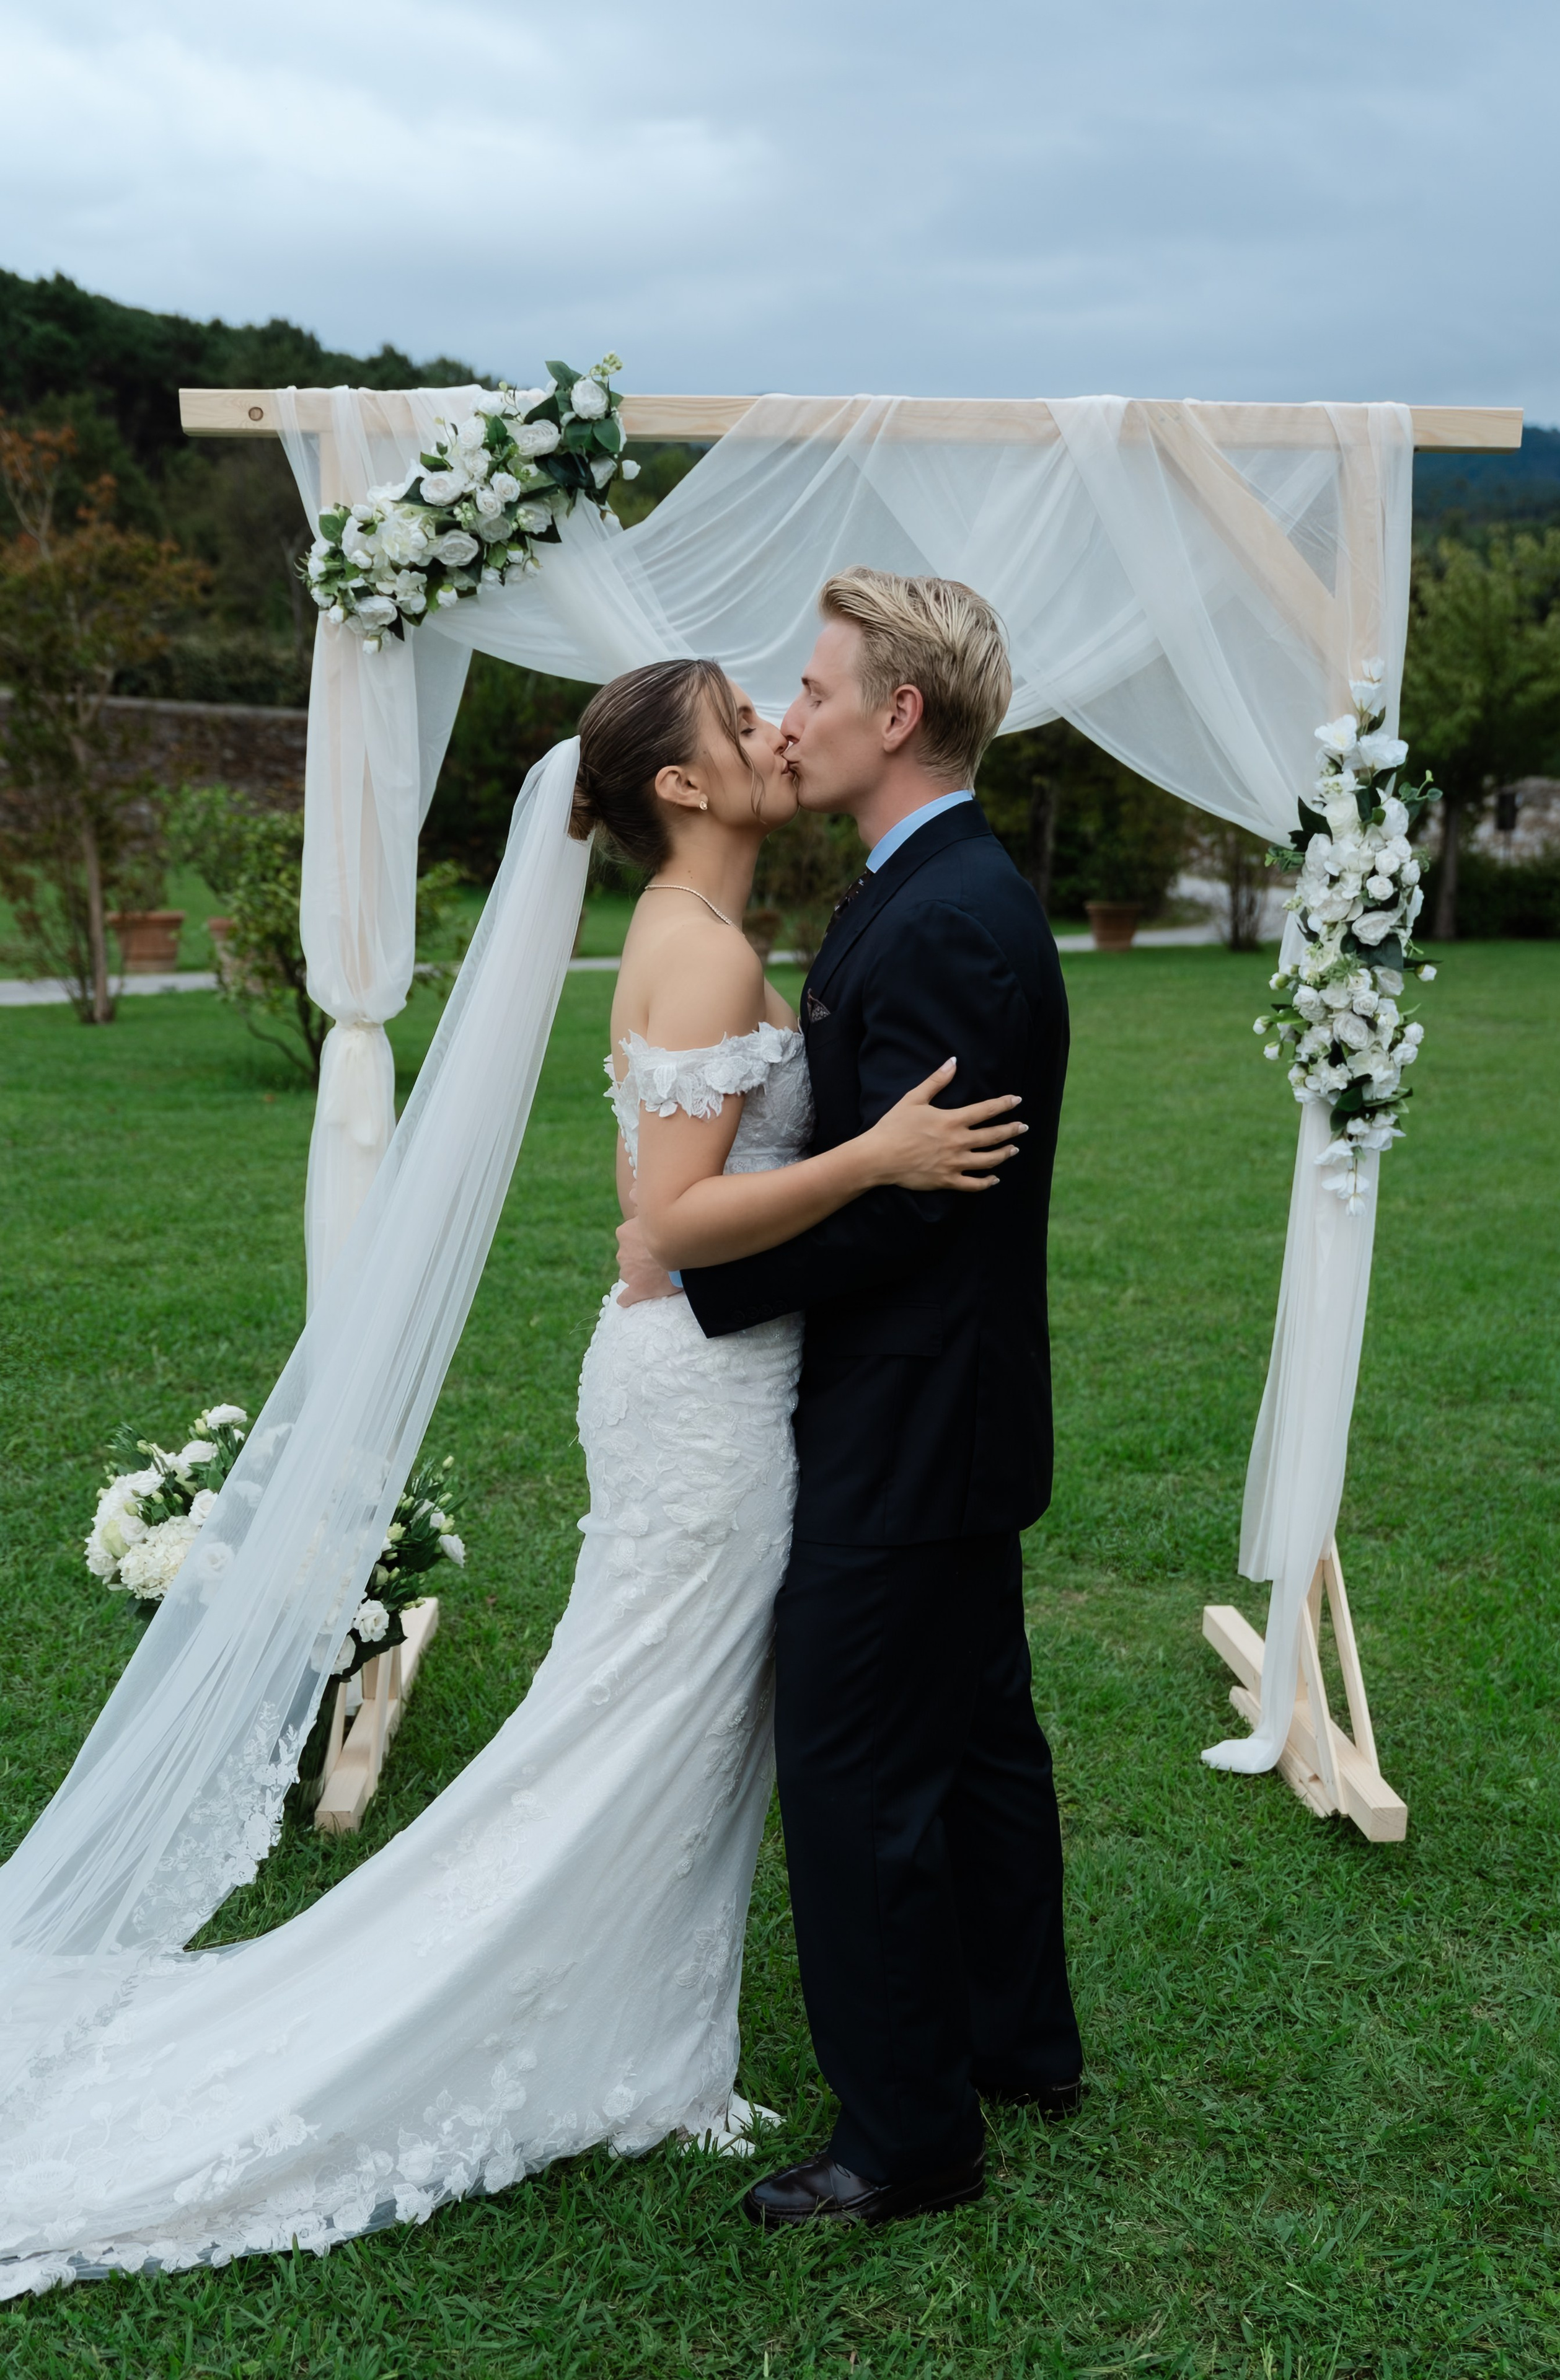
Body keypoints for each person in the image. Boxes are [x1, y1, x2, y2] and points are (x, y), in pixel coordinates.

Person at [0, 658, 1022, 2301]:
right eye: (738, 718)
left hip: (713, 1381)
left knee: (663, 1717)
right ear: (681, 788)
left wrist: (717, 1199)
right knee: (641, 1713)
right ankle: (542, 2018)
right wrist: (876, 1157)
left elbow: (653, 1194)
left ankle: (650, 2034)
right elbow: (680, 1224)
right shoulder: (697, 952)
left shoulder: (708, 940)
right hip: (702, 1396)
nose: (775, 723)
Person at [618, 570, 1085, 2229]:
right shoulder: (928, 885)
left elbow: (911, 1198)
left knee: (855, 1765)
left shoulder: (949, 911)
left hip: (909, 1414)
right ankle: (1020, 2045)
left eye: (814, 691)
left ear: (897, 714)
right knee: (970, 1743)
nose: (788, 715)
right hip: (940, 1405)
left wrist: (691, 1262)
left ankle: (908, 2138)